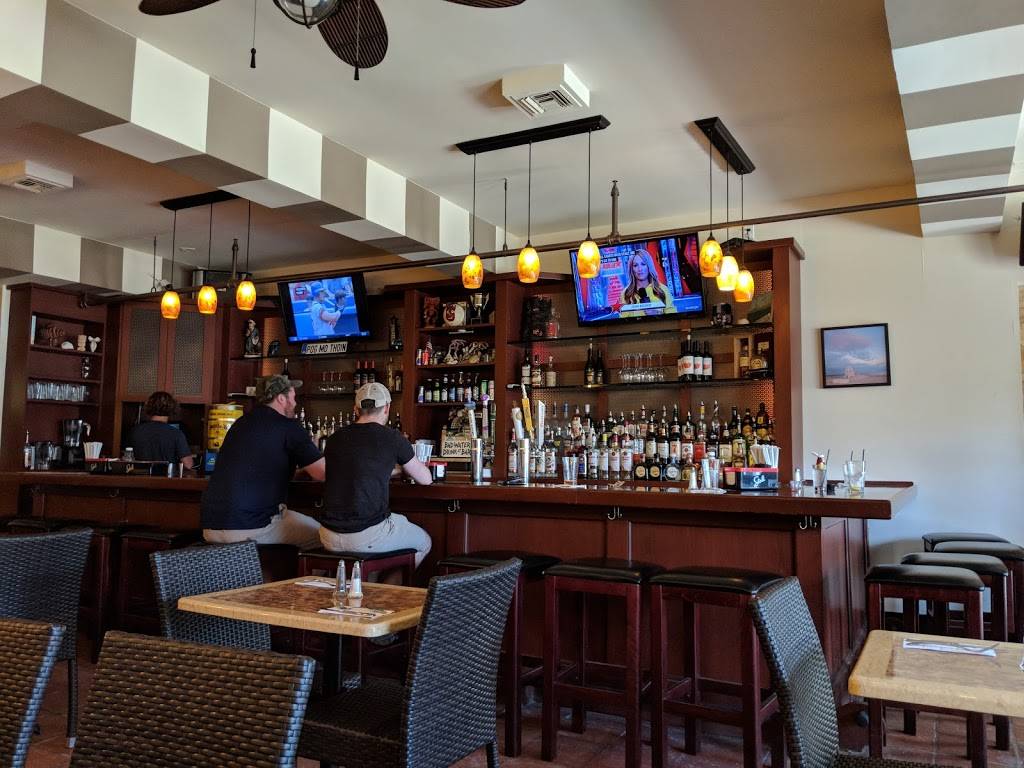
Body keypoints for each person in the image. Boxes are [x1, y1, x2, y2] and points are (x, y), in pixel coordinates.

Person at [201, 374, 325, 548]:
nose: (295, 403)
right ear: (281, 398)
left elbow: (256, 469)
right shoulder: (288, 426)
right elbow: (322, 473)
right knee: (325, 539)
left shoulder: (240, 424)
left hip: (210, 526)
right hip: (252, 526)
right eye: (293, 397)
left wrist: (299, 472)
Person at [319, 382, 433, 567]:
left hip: (328, 535)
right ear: (387, 408)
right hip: (366, 534)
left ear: (356, 409)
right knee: (424, 542)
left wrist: (391, 471)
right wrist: (403, 469)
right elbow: (425, 479)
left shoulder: (334, 439)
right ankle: (386, 583)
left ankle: (367, 579)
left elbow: (355, 470)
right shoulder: (393, 438)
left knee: (395, 525)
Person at [129, 391, 194, 469]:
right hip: (166, 476)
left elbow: (127, 457)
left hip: (140, 475)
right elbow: (188, 465)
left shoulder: (136, 431)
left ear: (148, 407)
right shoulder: (176, 434)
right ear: (172, 409)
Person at [618, 249, 677, 317]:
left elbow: (673, 317)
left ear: (649, 266)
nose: (640, 269)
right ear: (632, 269)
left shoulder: (662, 289)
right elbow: (623, 320)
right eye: (635, 265)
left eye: (643, 264)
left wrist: (658, 315)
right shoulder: (626, 293)